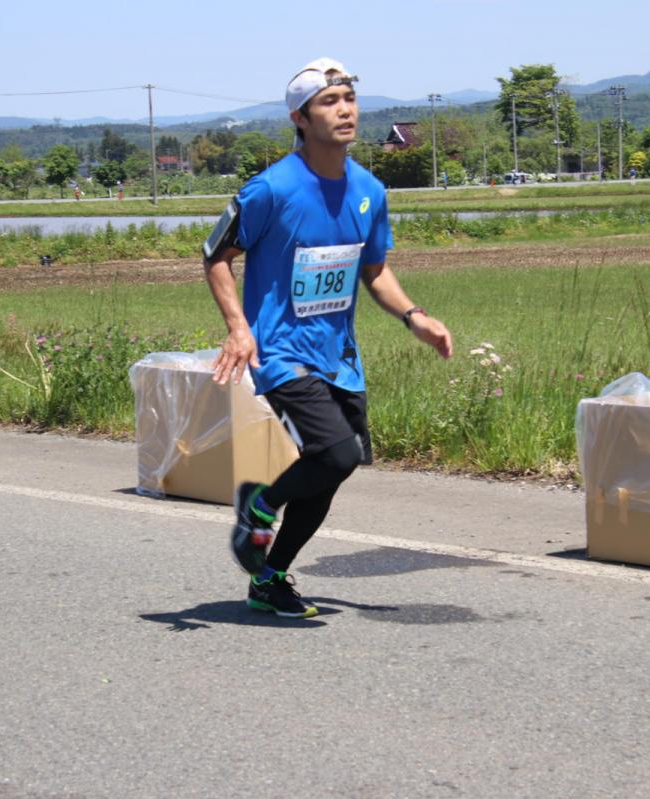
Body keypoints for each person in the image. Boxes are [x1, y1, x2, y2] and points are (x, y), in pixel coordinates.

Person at [202, 58, 453, 619]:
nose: (344, 110)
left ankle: (269, 579)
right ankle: (259, 504)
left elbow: (375, 272)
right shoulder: (272, 188)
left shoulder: (368, 190)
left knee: (330, 473)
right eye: (329, 101)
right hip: (280, 351)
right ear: (300, 117)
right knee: (335, 453)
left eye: (349, 99)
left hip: (338, 356)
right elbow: (215, 255)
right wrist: (239, 328)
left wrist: (415, 316)